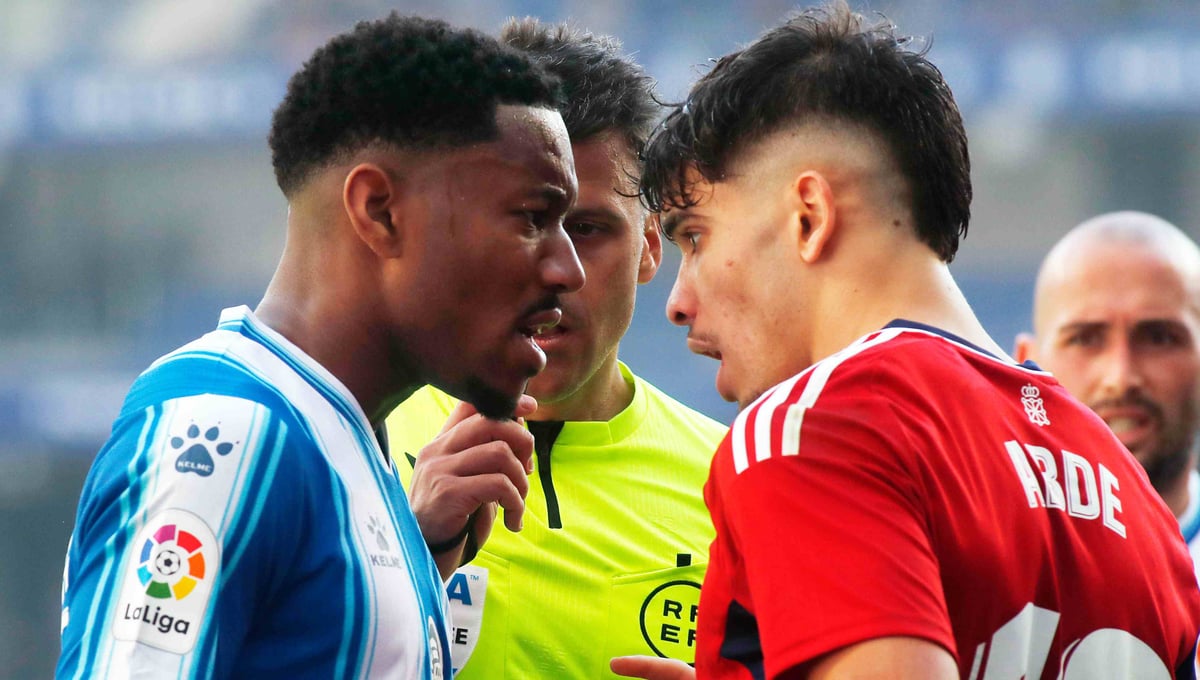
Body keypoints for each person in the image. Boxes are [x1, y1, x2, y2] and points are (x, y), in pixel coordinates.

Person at [610, 3, 1200, 679]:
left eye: (695, 238)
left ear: (809, 217)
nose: (678, 302)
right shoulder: (1134, 493)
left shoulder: (813, 426)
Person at [57, 14, 585, 678]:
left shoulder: (354, 452)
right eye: (534, 218)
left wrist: (425, 551)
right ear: (380, 210)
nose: (569, 270)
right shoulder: (227, 431)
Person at [386, 17, 728, 678]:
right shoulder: (351, 445)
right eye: (519, 221)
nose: (553, 268)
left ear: (649, 247)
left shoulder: (734, 487)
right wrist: (415, 547)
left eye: (589, 228)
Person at [1015, 211, 1200, 578]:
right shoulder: (968, 564)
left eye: (1159, 337)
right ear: (1026, 366)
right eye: (1085, 338)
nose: (1120, 377)